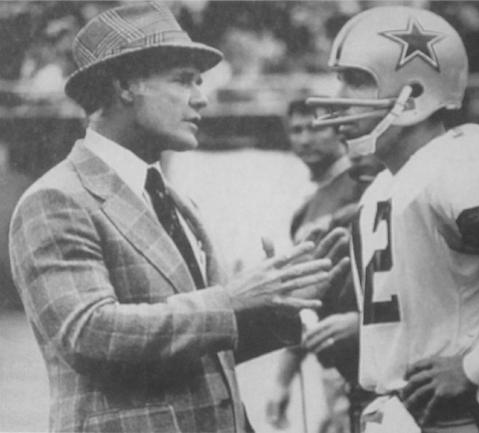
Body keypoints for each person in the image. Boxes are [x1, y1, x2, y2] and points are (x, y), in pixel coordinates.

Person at [8, 3, 348, 432]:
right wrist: (230, 299)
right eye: (183, 80)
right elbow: (90, 335)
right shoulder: (56, 199)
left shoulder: (174, 201)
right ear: (125, 84)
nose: (201, 97)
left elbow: (201, 346)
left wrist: (280, 304)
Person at [307, 6, 479, 433]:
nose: (339, 93)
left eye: (358, 79)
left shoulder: (460, 161)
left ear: (414, 93)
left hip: (458, 416)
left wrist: (474, 367)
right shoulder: (386, 185)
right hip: (398, 412)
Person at [266, 100, 379, 433]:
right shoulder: (304, 212)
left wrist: (363, 323)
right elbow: (304, 298)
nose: (304, 139)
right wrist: (282, 380)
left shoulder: (366, 181)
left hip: (376, 349)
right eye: (295, 130)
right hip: (337, 367)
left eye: (315, 128)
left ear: (339, 128)